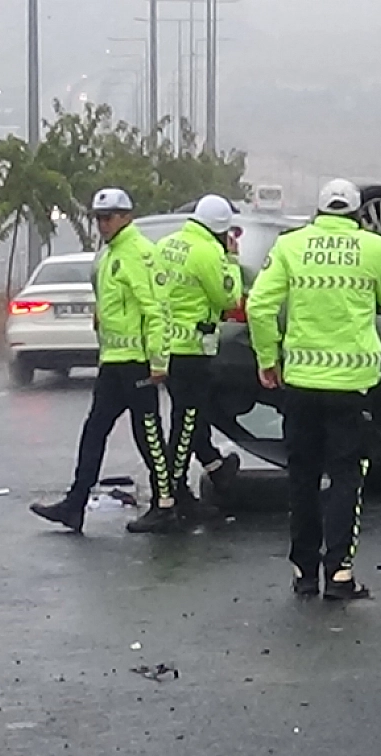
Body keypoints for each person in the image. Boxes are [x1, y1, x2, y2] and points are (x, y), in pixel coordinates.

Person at [247, 179, 381, 600]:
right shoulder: (375, 249)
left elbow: (260, 306)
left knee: (301, 477)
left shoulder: (290, 245)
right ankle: (339, 572)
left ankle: (304, 571)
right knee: (345, 478)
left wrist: (268, 359)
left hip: (300, 383)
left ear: (318, 212)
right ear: (356, 214)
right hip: (352, 386)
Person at [31, 188, 179, 535]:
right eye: (98, 218)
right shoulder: (112, 253)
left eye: (108, 217)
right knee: (94, 431)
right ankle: (75, 503)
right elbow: (114, 298)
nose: (102, 224)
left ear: (126, 216)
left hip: (138, 362)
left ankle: (166, 505)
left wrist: (159, 361)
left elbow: (156, 310)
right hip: (114, 361)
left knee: (149, 437)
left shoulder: (139, 253)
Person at [154, 194, 245, 519]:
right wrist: (232, 261)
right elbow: (229, 297)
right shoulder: (209, 253)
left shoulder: (166, 245)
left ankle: (215, 467)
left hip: (165, 347)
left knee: (189, 417)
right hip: (193, 349)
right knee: (186, 423)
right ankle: (172, 492)